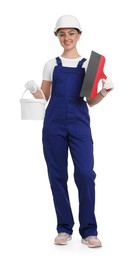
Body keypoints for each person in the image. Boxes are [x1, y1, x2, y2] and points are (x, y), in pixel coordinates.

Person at [25, 15, 114, 248]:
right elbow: (44, 99)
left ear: (79, 35)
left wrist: (105, 91)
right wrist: (34, 89)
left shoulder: (88, 65)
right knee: (57, 176)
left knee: (85, 174)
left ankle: (89, 230)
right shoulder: (51, 64)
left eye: (71, 33)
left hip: (79, 124)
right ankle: (64, 228)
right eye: (62, 34)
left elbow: (91, 101)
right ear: (57, 36)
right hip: (53, 125)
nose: (67, 38)